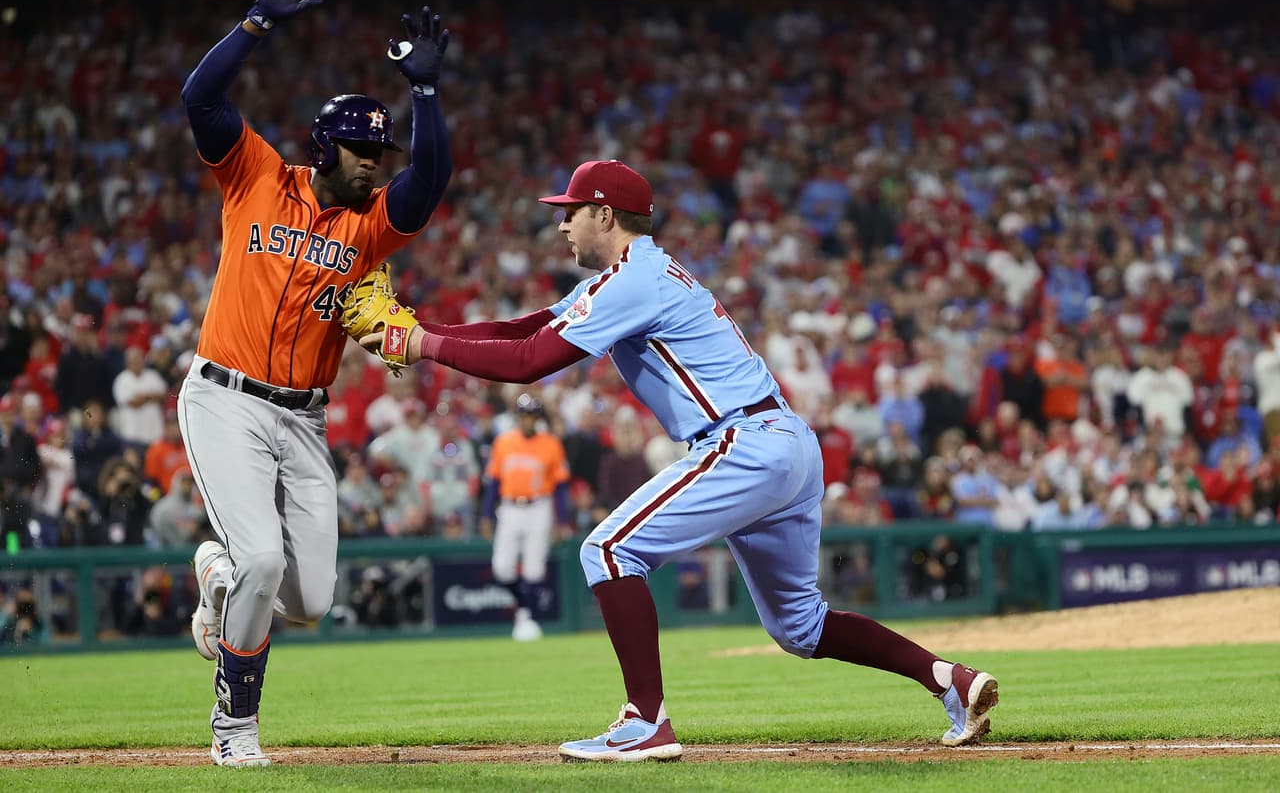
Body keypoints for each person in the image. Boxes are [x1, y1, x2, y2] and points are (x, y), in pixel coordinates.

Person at [359, 158, 999, 762]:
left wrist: (419, 345)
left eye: (571, 211)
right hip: (784, 443)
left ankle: (645, 720)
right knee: (801, 627)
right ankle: (948, 679)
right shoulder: (639, 275)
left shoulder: (630, 280)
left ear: (605, 216)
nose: (561, 223)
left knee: (607, 552)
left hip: (744, 441)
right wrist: (411, 330)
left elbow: (528, 363)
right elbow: (523, 331)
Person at [178, 0, 451, 768]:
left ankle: (218, 577)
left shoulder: (369, 228)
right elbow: (200, 96)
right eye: (367, 152)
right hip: (224, 396)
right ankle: (234, 733)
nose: (380, 164)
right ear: (326, 148)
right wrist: (257, 21)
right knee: (266, 557)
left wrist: (427, 92)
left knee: (311, 596)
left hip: (302, 419)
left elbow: (430, 182)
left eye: (383, 153)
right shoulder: (256, 175)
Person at [480, 393, 571, 641]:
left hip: (539, 506)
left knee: (533, 569)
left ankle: (528, 617)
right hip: (509, 507)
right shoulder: (504, 442)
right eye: (524, 414)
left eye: (532, 414)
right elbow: (493, 482)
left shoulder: (551, 443)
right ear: (517, 417)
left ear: (538, 417)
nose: (528, 419)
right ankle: (524, 608)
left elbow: (561, 487)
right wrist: (486, 515)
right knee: (502, 568)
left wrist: (561, 521)